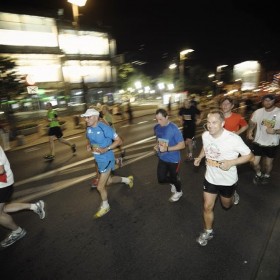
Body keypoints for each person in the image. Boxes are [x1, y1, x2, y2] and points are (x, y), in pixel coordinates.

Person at [194, 109, 253, 246]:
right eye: (208, 122)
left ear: (222, 123)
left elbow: (250, 156)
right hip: (210, 178)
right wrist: (200, 157)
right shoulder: (205, 135)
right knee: (207, 206)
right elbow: (206, 146)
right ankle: (208, 231)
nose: (210, 125)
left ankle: (233, 195)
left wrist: (231, 162)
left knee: (226, 205)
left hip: (227, 181)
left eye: (214, 122)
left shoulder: (233, 139)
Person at [81, 108, 134, 219]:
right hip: (99, 159)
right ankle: (127, 180)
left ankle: (106, 206)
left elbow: (119, 140)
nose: (86, 119)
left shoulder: (105, 128)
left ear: (95, 117)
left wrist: (106, 148)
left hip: (106, 158)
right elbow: (89, 138)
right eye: (85, 117)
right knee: (109, 181)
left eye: (88, 117)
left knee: (100, 187)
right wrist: (89, 145)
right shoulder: (89, 128)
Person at [0, 145, 46, 248]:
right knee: (3, 209)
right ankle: (35, 206)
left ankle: (17, 232)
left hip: (2, 185)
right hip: (3, 184)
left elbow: (0, 170)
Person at [246, 94, 280, 185]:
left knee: (268, 164)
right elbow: (252, 122)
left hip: (272, 143)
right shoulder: (258, 112)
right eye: (266, 100)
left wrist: (275, 131)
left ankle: (267, 175)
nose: (268, 102)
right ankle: (258, 173)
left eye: (270, 100)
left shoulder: (279, 112)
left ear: (274, 101)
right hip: (258, 142)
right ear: (262, 101)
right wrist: (250, 131)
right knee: (254, 163)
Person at [154, 108, 185, 202]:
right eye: (157, 119)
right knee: (161, 179)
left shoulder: (174, 129)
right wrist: (156, 146)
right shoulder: (157, 127)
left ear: (167, 117)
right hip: (162, 157)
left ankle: (179, 191)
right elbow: (159, 139)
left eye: (161, 119)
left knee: (174, 178)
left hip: (173, 159)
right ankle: (173, 182)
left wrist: (167, 149)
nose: (159, 122)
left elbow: (182, 145)